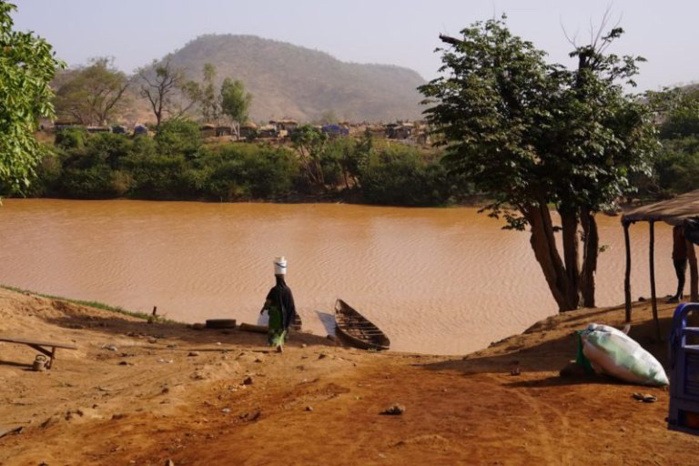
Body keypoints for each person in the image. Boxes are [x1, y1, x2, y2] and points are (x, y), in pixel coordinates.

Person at [260, 256, 296, 352]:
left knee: (274, 330)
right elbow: (291, 304)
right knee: (281, 330)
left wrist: (264, 308)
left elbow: (268, 302)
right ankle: (280, 346)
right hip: (284, 316)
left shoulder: (274, 290)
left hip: (276, 315)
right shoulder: (288, 290)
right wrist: (291, 315)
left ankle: (278, 346)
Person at [668, 225, 688, 303]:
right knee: (680, 275)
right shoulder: (675, 229)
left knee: (681, 276)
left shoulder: (682, 229)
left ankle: (678, 295)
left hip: (682, 256)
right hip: (676, 255)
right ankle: (680, 294)